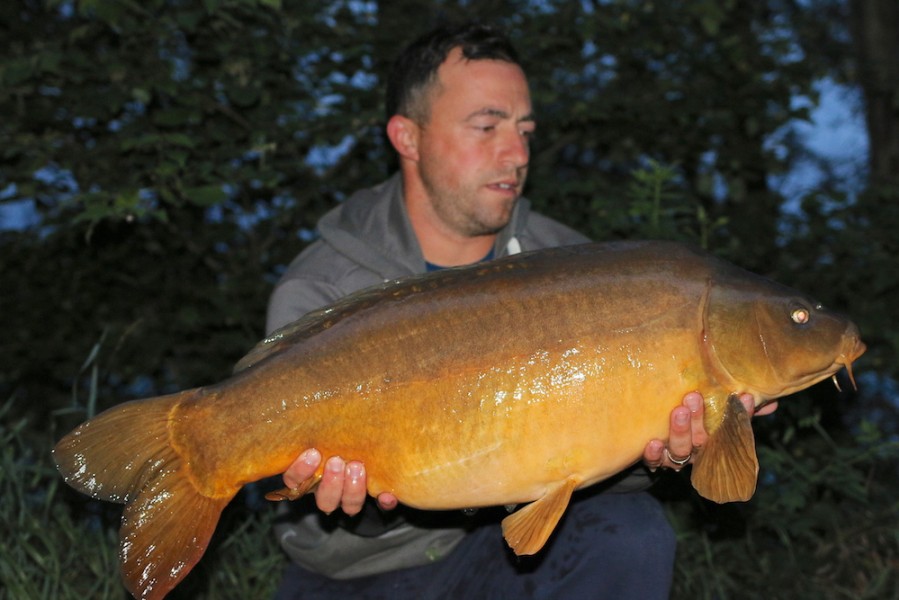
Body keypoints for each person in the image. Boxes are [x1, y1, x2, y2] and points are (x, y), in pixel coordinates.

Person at [265, 22, 774, 599]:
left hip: (500, 553)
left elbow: (590, 455)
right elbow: (313, 526)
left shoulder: (575, 268)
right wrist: (353, 501)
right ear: (407, 138)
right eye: (487, 126)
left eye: (525, 130)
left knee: (630, 536)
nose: (517, 154)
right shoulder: (324, 284)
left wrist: (658, 456)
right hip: (357, 571)